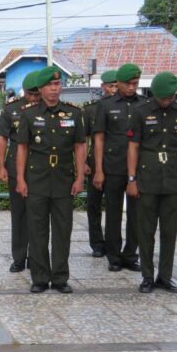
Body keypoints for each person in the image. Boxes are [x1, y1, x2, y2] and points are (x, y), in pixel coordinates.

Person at [16, 66, 86, 294]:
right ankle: (39, 277)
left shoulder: (74, 114)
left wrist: (79, 177)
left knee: (62, 230)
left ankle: (60, 278)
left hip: (64, 179)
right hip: (37, 179)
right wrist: (20, 178)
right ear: (41, 89)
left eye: (57, 85)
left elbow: (80, 146)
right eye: (49, 85)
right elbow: (23, 148)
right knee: (37, 230)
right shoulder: (28, 114)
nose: (54, 89)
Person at [127, 72, 177, 293]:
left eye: (170, 97)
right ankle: (147, 276)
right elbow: (133, 147)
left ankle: (165, 276)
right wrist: (132, 179)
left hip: (173, 180)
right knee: (145, 231)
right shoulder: (140, 112)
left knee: (169, 232)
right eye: (163, 98)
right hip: (147, 179)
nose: (167, 101)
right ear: (155, 95)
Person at [92, 63, 147, 272]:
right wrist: (99, 169)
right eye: (128, 84)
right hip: (113, 165)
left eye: (135, 83)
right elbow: (98, 138)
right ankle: (114, 257)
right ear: (119, 83)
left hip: (138, 168)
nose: (132, 88)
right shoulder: (106, 105)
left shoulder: (144, 104)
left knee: (137, 214)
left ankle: (131, 255)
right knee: (113, 213)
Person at [0, 70, 41, 273]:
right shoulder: (11, 109)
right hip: (16, 166)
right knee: (19, 214)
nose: (33, 98)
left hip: (40, 168)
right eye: (30, 94)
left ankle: (36, 256)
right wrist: (1, 166)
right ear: (24, 91)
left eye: (36, 94)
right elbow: (2, 138)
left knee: (38, 214)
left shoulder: (46, 109)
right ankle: (19, 257)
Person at [82, 70, 117, 257]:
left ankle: (113, 243)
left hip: (115, 163)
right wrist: (83, 163)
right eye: (110, 86)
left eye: (116, 85)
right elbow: (85, 139)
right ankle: (97, 243)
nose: (113, 89)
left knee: (114, 206)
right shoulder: (92, 109)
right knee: (94, 205)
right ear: (103, 86)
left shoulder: (124, 107)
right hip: (95, 162)